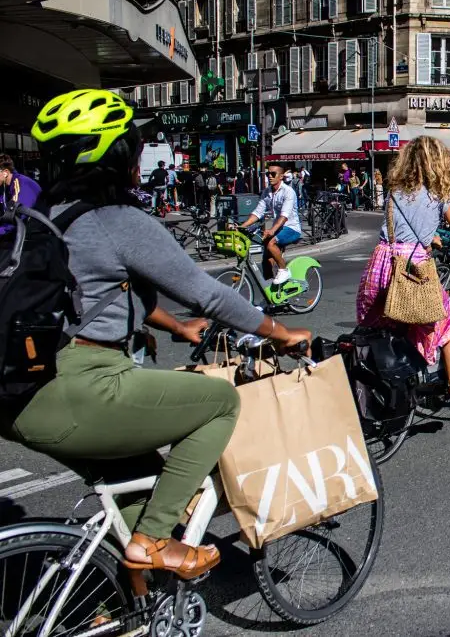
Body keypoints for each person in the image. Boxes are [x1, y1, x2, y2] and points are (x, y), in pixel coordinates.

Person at [1, 89, 310, 580]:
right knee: (219, 403)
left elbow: (97, 298)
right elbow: (206, 293)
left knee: (135, 489)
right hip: (84, 383)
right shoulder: (116, 220)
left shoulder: (43, 218)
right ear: (116, 154)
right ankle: (154, 542)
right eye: (134, 147)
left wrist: (176, 326)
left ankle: (118, 608)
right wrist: (280, 330)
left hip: (24, 388)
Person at [356, 136, 450, 405]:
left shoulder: (394, 192)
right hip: (410, 270)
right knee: (448, 319)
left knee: (387, 327)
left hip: (380, 266)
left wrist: (432, 236)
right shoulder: (440, 195)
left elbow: (404, 229)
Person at [238, 163, 302, 285]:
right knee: (266, 261)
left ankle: (284, 270)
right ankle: (270, 294)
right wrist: (243, 226)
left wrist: (272, 230)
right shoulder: (267, 192)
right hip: (278, 229)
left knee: (271, 243)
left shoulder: (288, 192)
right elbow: (258, 212)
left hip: (291, 228)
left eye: (273, 174)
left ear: (281, 176)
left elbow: (284, 215)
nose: (270, 176)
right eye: (268, 174)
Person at [0, 153, 42, 235]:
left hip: (36, 232)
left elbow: (16, 217)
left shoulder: (20, 184)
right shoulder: (5, 186)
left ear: (5, 173)